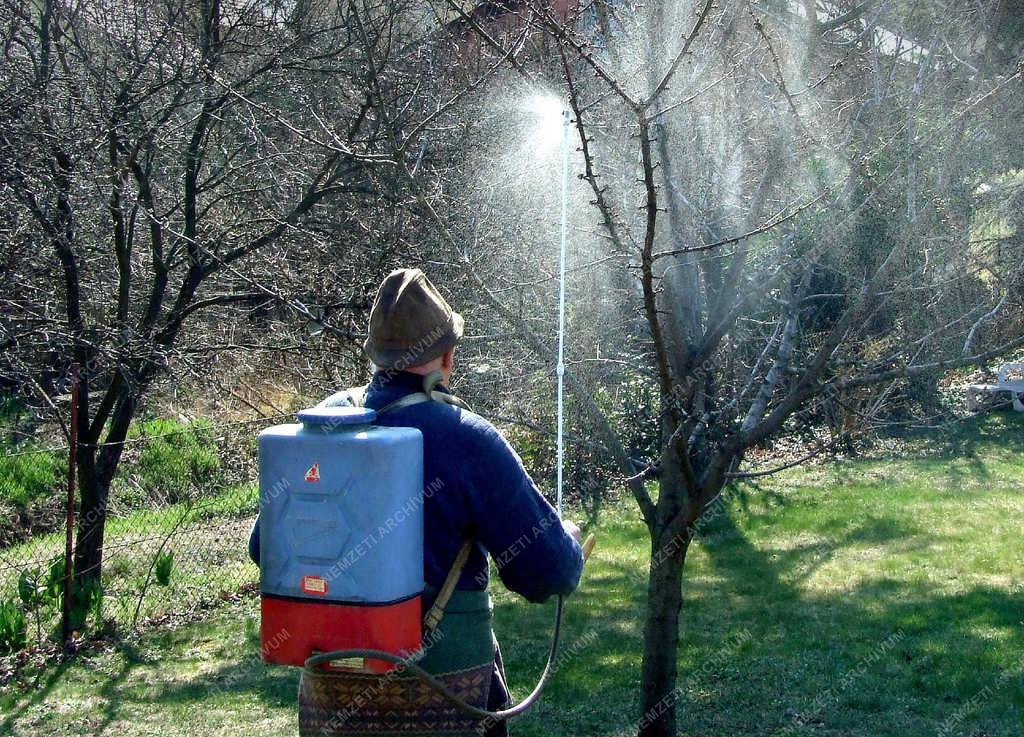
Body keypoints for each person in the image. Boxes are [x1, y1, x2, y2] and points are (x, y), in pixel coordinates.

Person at [249, 268, 584, 736]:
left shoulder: (324, 424)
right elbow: (548, 572)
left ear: (376, 356)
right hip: (447, 693)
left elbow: (264, 549)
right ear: (446, 356)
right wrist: (566, 540)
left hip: (334, 702)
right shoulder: (467, 437)